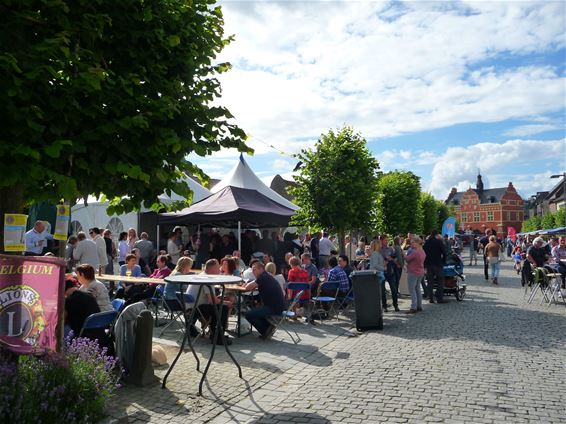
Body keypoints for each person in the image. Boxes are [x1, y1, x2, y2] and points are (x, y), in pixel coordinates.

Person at [186, 259, 232, 344]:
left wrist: (218, 299)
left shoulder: (201, 275)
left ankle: (215, 334)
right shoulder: (207, 278)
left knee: (217, 307)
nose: (220, 269)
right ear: (213, 269)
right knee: (223, 308)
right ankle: (217, 337)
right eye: (218, 267)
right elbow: (212, 301)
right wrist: (226, 302)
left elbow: (210, 298)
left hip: (189, 307)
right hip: (196, 308)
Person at [244, 260, 286, 340]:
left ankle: (265, 331)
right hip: (277, 306)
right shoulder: (265, 276)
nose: (253, 272)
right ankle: (269, 327)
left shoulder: (263, 277)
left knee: (248, 314)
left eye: (254, 270)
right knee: (255, 311)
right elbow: (254, 285)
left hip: (273, 308)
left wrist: (248, 284)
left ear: (261, 269)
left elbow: (247, 288)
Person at [423, 230, 446, 304]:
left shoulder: (426, 242)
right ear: (436, 235)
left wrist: (424, 265)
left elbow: (424, 254)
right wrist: (443, 261)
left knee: (430, 282)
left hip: (428, 265)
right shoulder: (439, 242)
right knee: (440, 281)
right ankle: (439, 298)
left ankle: (431, 298)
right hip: (437, 264)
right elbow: (444, 253)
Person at [405, 236, 426, 313]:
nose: (411, 244)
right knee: (417, 289)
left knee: (412, 290)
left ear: (417, 243)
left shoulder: (415, 252)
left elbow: (407, 259)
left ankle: (413, 307)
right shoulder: (422, 251)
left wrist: (403, 254)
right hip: (420, 272)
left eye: (413, 242)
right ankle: (419, 306)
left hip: (413, 272)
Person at [380, 235, 399, 311]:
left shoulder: (390, 249)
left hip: (390, 271)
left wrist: (392, 259)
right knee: (382, 290)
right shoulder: (378, 249)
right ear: (381, 240)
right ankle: (384, 306)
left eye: (387, 240)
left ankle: (396, 305)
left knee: (394, 289)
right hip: (382, 271)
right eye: (385, 240)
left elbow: (395, 258)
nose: (387, 242)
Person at [368, 240, 388, 311]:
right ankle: (383, 306)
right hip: (377, 275)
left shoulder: (376, 253)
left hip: (377, 275)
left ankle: (382, 306)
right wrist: (384, 268)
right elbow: (376, 265)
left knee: (380, 292)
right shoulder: (376, 254)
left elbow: (376, 265)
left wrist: (383, 267)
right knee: (381, 291)